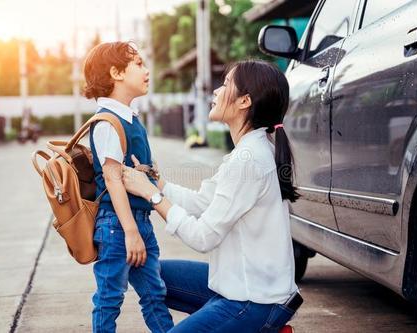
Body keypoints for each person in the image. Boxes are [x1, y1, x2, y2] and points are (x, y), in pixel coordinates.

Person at [123, 59, 302, 332]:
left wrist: (151, 196)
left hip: (255, 302)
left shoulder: (249, 159)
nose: (216, 92)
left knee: (149, 271)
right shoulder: (246, 152)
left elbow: (204, 236)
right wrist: (158, 184)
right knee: (148, 271)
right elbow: (203, 202)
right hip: (236, 286)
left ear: (245, 102)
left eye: (226, 85)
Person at [83, 41, 174, 333]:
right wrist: (131, 233)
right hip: (117, 227)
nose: (147, 70)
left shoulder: (129, 118)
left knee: (154, 295)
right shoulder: (108, 121)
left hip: (139, 223)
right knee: (109, 299)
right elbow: (113, 178)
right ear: (116, 73)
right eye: (139, 64)